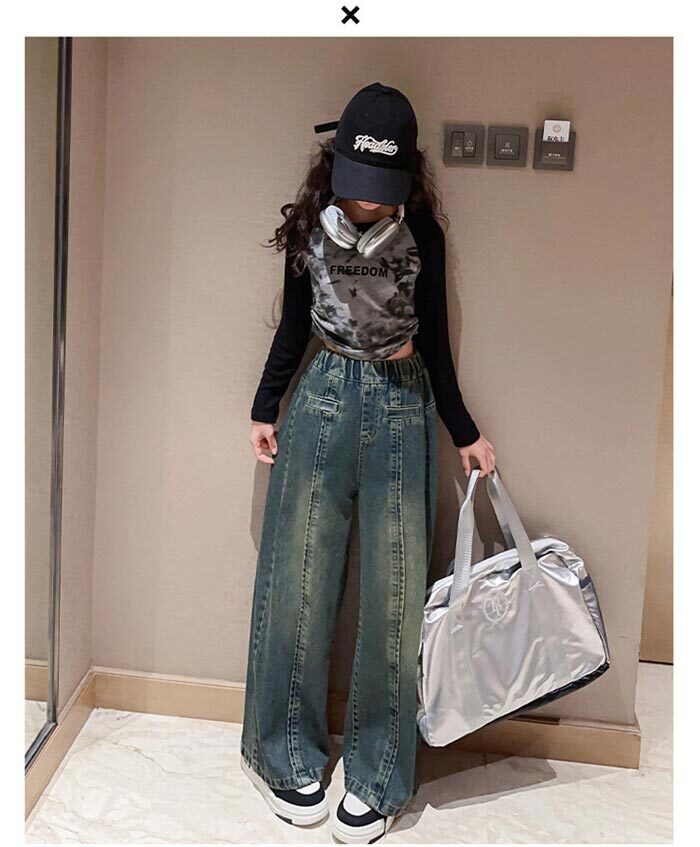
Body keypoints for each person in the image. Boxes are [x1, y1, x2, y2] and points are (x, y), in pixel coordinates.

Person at [240, 81, 496, 843]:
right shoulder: (310, 232)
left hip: (402, 401)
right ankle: (286, 751)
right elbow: (293, 326)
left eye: (384, 191)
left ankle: (379, 771)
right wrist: (264, 406)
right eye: (358, 187)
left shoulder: (423, 238)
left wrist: (463, 429)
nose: (368, 204)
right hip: (321, 393)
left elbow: (438, 341)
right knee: (299, 578)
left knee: (396, 595)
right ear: (337, 168)